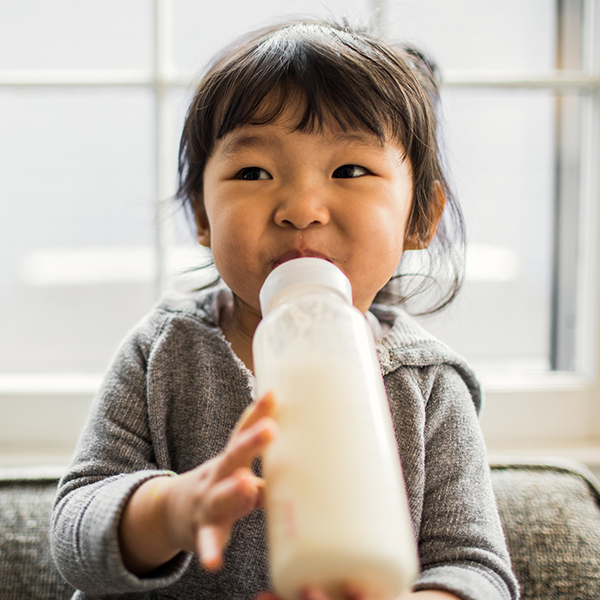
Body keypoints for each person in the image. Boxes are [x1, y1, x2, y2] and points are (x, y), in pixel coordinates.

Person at [51, 19, 519, 600]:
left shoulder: (427, 386)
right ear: (202, 215)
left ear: (421, 216)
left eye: (349, 170)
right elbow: (73, 534)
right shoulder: (164, 350)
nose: (301, 208)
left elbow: (476, 569)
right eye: (253, 172)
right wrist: (172, 509)